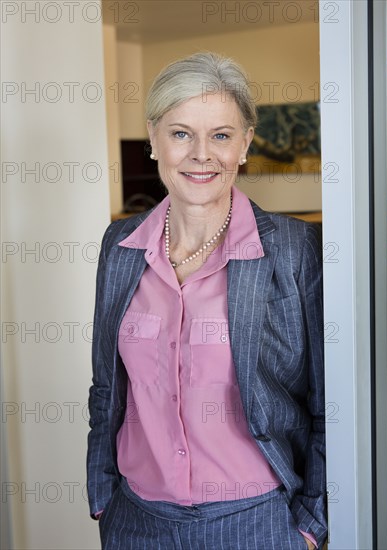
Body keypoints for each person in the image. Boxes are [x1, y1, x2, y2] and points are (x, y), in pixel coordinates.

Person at [87, 51, 326, 550]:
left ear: (245, 143)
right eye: (180, 133)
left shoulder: (293, 249)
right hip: (136, 521)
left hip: (257, 521)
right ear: (153, 138)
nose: (202, 153)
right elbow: (108, 389)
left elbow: (329, 401)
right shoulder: (120, 246)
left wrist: (309, 523)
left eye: (220, 134)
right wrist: (104, 498)